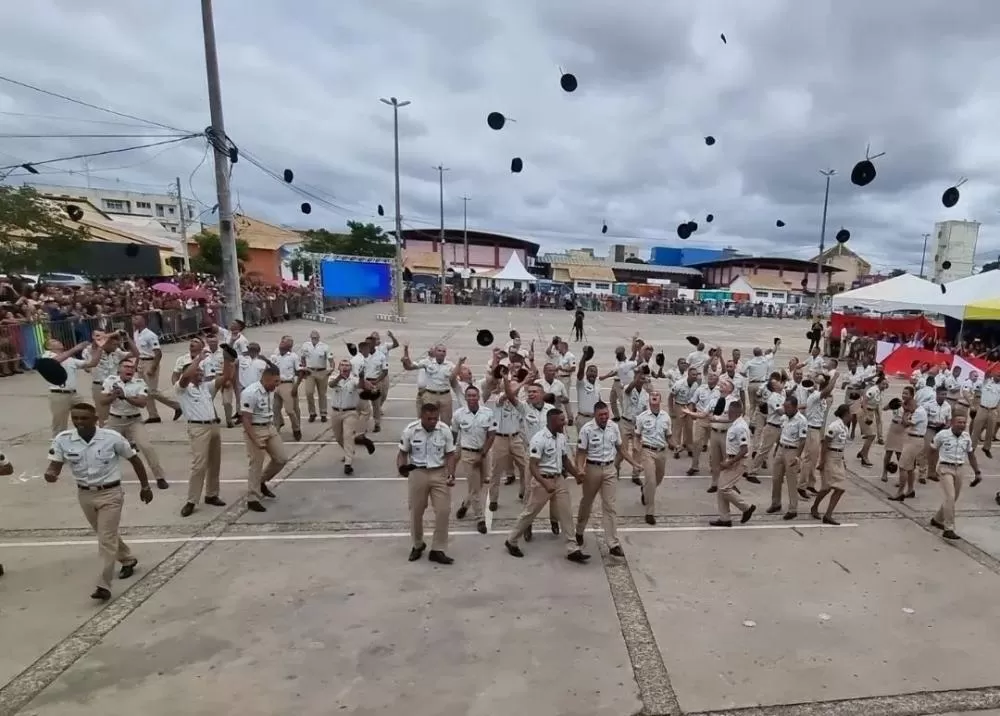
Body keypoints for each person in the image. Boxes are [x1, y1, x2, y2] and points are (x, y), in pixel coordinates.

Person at [44, 402, 154, 601]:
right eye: (75, 418)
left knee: (105, 539)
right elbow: (55, 465)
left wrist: (145, 486)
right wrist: (51, 474)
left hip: (110, 493)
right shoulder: (64, 439)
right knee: (105, 534)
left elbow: (135, 460)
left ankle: (103, 584)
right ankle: (127, 559)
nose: (79, 422)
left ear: (95, 419)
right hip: (85, 495)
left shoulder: (111, 438)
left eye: (84, 418)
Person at [505, 409, 589, 562]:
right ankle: (511, 540)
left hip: (559, 480)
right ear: (551, 421)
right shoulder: (539, 439)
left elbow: (564, 460)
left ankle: (572, 548)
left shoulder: (561, 437)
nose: (564, 422)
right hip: (543, 480)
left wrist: (576, 474)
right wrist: (545, 484)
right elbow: (533, 466)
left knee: (566, 513)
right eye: (561, 420)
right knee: (530, 512)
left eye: (564, 419)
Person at [175, 347, 235, 517]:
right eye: (198, 371)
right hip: (197, 427)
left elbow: (226, 378)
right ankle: (191, 500)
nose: (201, 373)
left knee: (215, 462)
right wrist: (198, 360)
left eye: (201, 371)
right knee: (199, 465)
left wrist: (229, 360)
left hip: (213, 426)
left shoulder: (205, 387)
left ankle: (211, 494)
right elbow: (186, 377)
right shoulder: (182, 388)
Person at [398, 402, 458, 565]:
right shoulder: (411, 430)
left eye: (435, 418)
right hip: (418, 472)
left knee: (443, 510)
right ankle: (418, 544)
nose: (433, 421)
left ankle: (438, 549)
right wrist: (402, 468)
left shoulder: (444, 430)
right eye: (429, 418)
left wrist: (451, 474)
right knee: (416, 511)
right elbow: (402, 453)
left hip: (439, 472)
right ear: (421, 417)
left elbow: (451, 454)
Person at [575, 400, 637, 556]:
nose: (604, 417)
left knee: (610, 506)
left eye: (606, 414)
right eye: (601, 415)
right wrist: (580, 470)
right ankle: (579, 530)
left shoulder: (613, 427)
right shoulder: (587, 429)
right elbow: (581, 452)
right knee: (587, 502)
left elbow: (620, 448)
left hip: (609, 469)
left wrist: (633, 463)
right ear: (595, 414)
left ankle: (612, 543)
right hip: (592, 469)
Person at [100, 358, 170, 490]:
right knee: (103, 446)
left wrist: (124, 396)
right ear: (119, 369)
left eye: (132, 368)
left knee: (146, 447)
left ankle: (160, 477)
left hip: (134, 420)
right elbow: (103, 401)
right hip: (115, 419)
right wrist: (114, 395)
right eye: (126, 367)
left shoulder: (139, 383)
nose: (130, 370)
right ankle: (102, 477)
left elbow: (142, 403)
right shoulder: (110, 381)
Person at [240, 365, 288, 512]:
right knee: (256, 463)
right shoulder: (250, 393)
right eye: (275, 381)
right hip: (255, 428)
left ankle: (261, 481)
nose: (277, 384)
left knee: (281, 459)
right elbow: (246, 419)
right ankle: (252, 498)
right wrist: (255, 439)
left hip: (269, 426)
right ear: (266, 379)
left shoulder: (270, 389)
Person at [929, 413, 982, 540]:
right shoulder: (943, 435)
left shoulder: (966, 437)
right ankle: (949, 528)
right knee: (950, 497)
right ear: (952, 423)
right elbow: (932, 449)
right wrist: (930, 469)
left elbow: (971, 455)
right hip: (945, 467)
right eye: (959, 422)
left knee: (953, 498)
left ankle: (937, 519)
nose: (962, 425)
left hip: (959, 468)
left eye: (964, 423)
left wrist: (977, 472)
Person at [452, 384, 495, 534]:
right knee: (476, 488)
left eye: (474, 395)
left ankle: (465, 504)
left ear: (478, 397)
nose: (471, 398)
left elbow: (491, 436)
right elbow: (454, 435)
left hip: (483, 453)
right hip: (468, 454)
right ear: (465, 397)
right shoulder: (458, 415)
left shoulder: (488, 413)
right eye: (469, 395)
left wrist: (482, 454)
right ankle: (480, 519)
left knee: (480, 484)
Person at [710, 401, 756, 527]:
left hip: (738, 462)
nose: (727, 414)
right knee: (721, 488)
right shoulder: (735, 424)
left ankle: (746, 508)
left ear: (734, 412)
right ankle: (724, 518)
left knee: (725, 488)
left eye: (729, 412)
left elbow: (744, 449)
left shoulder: (740, 427)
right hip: (731, 459)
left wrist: (730, 462)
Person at [131, 313, 180, 423]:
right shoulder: (135, 334)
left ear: (144, 321)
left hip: (150, 361)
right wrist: (136, 364)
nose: (134, 320)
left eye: (137, 318)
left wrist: (153, 367)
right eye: (133, 318)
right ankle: (153, 415)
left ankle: (176, 405)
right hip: (141, 361)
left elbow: (158, 353)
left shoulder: (150, 335)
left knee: (152, 391)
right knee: (144, 390)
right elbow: (138, 352)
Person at [767, 395, 808, 519]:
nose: (786, 409)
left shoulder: (801, 420)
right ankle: (776, 503)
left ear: (795, 407)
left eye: (788, 407)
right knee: (776, 478)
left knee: (791, 481)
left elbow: (802, 440)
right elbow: (781, 434)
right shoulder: (784, 418)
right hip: (781, 448)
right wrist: (776, 449)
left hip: (792, 450)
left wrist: (797, 456)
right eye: (785, 407)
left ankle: (793, 508)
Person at [635, 391, 672, 525]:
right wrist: (637, 449)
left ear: (660, 399)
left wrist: (674, 444)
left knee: (659, 478)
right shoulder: (642, 417)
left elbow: (668, 435)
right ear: (649, 400)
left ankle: (645, 491)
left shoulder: (666, 417)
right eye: (652, 395)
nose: (655, 396)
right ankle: (650, 512)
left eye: (657, 394)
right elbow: (637, 436)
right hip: (647, 450)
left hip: (661, 451)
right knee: (650, 480)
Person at [812, 403, 851, 524]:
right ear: (846, 414)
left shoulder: (845, 426)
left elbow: (841, 445)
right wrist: (822, 461)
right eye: (850, 413)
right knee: (827, 487)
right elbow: (825, 444)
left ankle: (828, 514)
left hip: (838, 458)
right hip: (830, 457)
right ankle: (815, 507)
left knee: (840, 488)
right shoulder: (835, 426)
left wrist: (843, 460)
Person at [270, 336, 303, 441]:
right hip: (276, 384)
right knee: (275, 408)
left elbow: (300, 371)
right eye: (281, 342)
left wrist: (296, 386)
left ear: (289, 346)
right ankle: (277, 427)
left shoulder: (293, 357)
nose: (281, 343)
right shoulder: (275, 355)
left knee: (290, 410)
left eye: (284, 342)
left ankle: (296, 429)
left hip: (287, 384)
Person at [299, 330, 332, 423]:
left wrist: (331, 369)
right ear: (310, 338)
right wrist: (304, 367)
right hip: (310, 371)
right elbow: (302, 357)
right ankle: (312, 412)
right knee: (309, 392)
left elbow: (330, 358)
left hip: (321, 371)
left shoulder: (324, 346)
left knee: (322, 393)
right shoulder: (306, 346)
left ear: (318, 338)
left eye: (315, 338)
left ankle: (323, 413)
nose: (314, 339)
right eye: (312, 338)